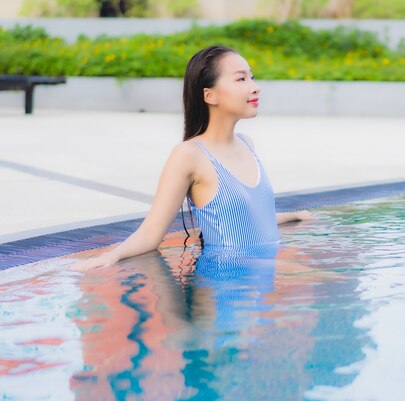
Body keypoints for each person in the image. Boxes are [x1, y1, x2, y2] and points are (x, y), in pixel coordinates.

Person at [72, 45, 311, 271]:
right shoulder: (189, 155)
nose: (255, 86)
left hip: (259, 286)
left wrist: (295, 216)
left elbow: (250, 219)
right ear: (209, 96)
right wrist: (111, 255)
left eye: (252, 77)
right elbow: (150, 234)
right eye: (241, 79)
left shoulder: (247, 144)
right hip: (226, 287)